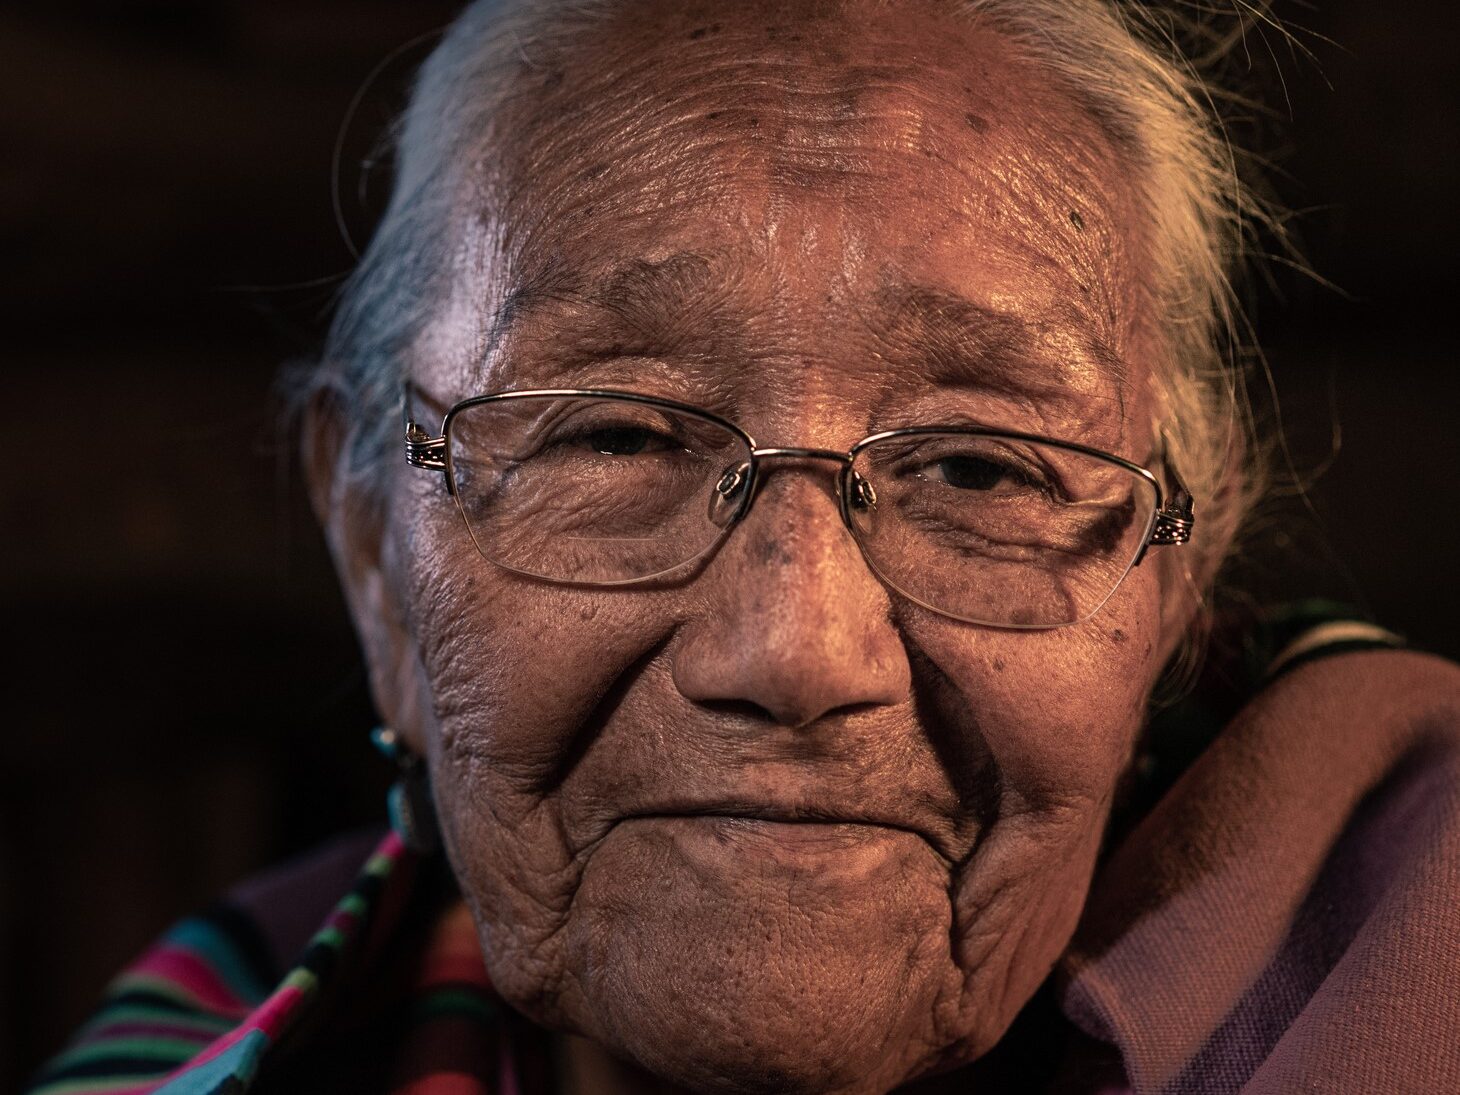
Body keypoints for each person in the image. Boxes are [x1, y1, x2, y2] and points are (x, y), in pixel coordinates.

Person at [28, 1, 1460, 1093]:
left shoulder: (1411, 928)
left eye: (978, 466)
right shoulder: (234, 1026)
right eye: (616, 439)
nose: (794, 651)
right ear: (374, 565)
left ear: (1171, 590)